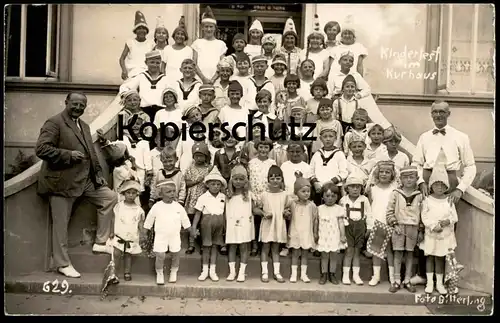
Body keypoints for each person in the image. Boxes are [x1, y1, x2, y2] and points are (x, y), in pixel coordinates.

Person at [36, 92, 117, 278]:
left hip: (84, 181)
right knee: (60, 225)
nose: (78, 108)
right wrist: (69, 155)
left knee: (109, 197)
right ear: (66, 102)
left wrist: (97, 174)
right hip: (61, 182)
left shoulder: (84, 126)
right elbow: (41, 149)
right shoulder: (54, 122)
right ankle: (62, 264)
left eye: (82, 105)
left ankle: (100, 242)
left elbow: (91, 153)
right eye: (75, 104)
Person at [410, 100, 476, 286]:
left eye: (442, 112)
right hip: (428, 183)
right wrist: (421, 182)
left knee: (446, 229)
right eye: (435, 112)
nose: (438, 115)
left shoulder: (461, 137)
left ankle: (446, 276)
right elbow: (416, 162)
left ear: (449, 113)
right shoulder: (424, 137)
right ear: (431, 114)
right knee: (425, 226)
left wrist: (460, 189)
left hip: (450, 182)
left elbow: (470, 166)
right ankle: (423, 274)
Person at [420, 152, 459, 295]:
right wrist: (432, 225)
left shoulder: (448, 200)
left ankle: (440, 283)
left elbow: (454, 216)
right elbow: (424, 216)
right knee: (430, 256)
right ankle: (430, 282)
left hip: (445, 234)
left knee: (440, 258)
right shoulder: (427, 200)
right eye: (436, 185)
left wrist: (446, 222)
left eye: (443, 185)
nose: (440, 188)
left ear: (446, 187)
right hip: (431, 233)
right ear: (431, 186)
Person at [144, 180, 191, 284]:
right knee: (160, 255)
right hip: (161, 235)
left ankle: (174, 271)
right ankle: (159, 273)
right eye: (168, 192)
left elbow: (185, 220)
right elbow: (149, 220)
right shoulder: (157, 206)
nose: (172, 194)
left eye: (174, 191)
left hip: (174, 235)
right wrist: (145, 232)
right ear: (160, 194)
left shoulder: (178, 207)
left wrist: (190, 230)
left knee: (176, 253)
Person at [385, 165, 423, 293]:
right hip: (399, 227)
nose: (408, 180)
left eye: (411, 177)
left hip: (413, 227)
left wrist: (421, 230)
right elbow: (389, 211)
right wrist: (394, 224)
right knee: (398, 253)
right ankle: (396, 280)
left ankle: (407, 280)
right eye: (405, 177)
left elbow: (423, 213)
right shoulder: (396, 193)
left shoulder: (420, 195)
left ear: (417, 178)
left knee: (410, 253)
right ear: (400, 179)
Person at [258, 165, 292, 283]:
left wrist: (286, 213)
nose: (275, 181)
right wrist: (263, 213)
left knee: (275, 249)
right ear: (268, 180)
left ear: (282, 179)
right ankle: (265, 272)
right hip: (268, 224)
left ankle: (277, 272)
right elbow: (255, 209)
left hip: (278, 224)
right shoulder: (264, 195)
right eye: (272, 178)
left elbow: (288, 209)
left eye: (278, 178)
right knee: (265, 248)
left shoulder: (285, 195)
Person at [192, 167, 227, 281]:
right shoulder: (203, 197)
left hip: (219, 223)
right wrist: (194, 227)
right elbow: (197, 214)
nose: (216, 186)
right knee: (206, 247)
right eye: (213, 184)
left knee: (215, 247)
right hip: (207, 223)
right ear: (207, 184)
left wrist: (226, 227)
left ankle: (213, 270)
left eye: (218, 184)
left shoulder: (223, 197)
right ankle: (204, 270)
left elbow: (225, 213)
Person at [366, 161, 398, 287]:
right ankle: (376, 275)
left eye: (387, 172)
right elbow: (369, 207)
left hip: (389, 222)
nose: (384, 174)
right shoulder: (372, 189)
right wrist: (370, 224)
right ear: (377, 174)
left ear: (392, 174)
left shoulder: (395, 190)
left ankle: (392, 276)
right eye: (381, 172)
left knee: (390, 250)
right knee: (376, 250)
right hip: (376, 222)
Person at [225, 164, 256, 282]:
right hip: (232, 225)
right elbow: (225, 212)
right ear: (231, 180)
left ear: (246, 181)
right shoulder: (228, 195)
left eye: (241, 179)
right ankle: (232, 271)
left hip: (245, 225)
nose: (238, 182)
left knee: (244, 247)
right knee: (232, 247)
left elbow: (254, 209)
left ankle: (242, 272)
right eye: (235, 179)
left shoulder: (248, 195)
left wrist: (263, 213)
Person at [339, 176, 372, 285]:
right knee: (349, 252)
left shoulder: (364, 200)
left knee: (357, 252)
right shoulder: (343, 200)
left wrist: (369, 228)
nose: (355, 189)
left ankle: (356, 275)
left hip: (360, 227)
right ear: (347, 188)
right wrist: (342, 231)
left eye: (358, 187)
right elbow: (340, 216)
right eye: (352, 187)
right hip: (348, 227)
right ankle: (345, 275)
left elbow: (369, 215)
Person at [119, 50, 169, 122]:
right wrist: (125, 95)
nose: (154, 65)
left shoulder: (165, 78)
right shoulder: (141, 77)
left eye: (157, 63)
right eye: (152, 62)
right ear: (146, 62)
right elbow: (125, 87)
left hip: (160, 111)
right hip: (145, 110)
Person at [111, 179, 145, 282]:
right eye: (128, 193)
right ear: (124, 193)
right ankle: (113, 273)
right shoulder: (119, 206)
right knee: (116, 254)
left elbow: (140, 223)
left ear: (137, 194)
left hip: (131, 236)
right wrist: (111, 231)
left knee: (128, 255)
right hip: (119, 234)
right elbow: (113, 218)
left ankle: (127, 272)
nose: (131, 195)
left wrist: (143, 234)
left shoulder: (138, 209)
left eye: (133, 193)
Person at [248, 138, 277, 256]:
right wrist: (252, 195)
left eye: (266, 147)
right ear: (257, 148)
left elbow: (274, 179)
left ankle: (266, 245)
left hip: (268, 195)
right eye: (261, 147)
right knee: (255, 221)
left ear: (269, 149)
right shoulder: (251, 163)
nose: (263, 150)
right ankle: (255, 245)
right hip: (254, 194)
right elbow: (249, 179)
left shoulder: (272, 163)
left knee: (267, 220)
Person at [288, 175, 319, 283]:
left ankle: (303, 274)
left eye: (308, 191)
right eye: (303, 191)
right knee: (295, 253)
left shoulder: (312, 206)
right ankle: (294, 274)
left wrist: (315, 232)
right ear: (297, 192)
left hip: (307, 233)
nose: (306, 193)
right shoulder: (293, 204)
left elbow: (315, 220)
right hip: (295, 232)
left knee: (305, 254)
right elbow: (287, 211)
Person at [184, 142, 212, 255]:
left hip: (204, 197)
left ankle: (202, 244)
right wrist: (196, 181)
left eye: (201, 155)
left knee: (202, 222)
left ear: (206, 156)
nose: (199, 158)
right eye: (196, 156)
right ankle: (191, 243)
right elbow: (186, 182)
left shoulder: (209, 168)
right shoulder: (191, 167)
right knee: (191, 221)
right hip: (192, 198)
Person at [310, 126, 348, 205]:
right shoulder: (317, 154)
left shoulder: (339, 154)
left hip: (334, 189)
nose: (328, 139)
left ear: (335, 138)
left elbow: (344, 172)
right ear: (320, 138)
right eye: (325, 136)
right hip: (318, 188)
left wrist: (331, 182)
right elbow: (311, 171)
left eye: (331, 136)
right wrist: (315, 183)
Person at [317, 183, 346, 285]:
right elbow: (316, 223)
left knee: (333, 255)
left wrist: (342, 235)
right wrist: (316, 235)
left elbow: (341, 223)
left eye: (333, 196)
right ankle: (324, 273)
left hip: (334, 235)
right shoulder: (319, 209)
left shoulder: (339, 209)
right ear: (323, 196)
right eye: (327, 196)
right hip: (323, 235)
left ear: (337, 197)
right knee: (324, 255)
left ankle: (332, 273)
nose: (330, 199)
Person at [192, 6, 227, 84]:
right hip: (199, 80)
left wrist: (213, 79)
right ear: (202, 28)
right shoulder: (197, 43)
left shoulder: (221, 44)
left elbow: (222, 64)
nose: (209, 29)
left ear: (215, 28)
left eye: (211, 27)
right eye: (206, 27)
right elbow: (194, 63)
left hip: (216, 80)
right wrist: (203, 78)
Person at [119, 11, 155, 80]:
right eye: (139, 28)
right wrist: (124, 70)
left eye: (143, 28)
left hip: (146, 73)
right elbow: (122, 58)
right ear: (135, 31)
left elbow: (154, 59)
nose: (141, 30)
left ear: (146, 31)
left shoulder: (151, 43)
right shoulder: (130, 42)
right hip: (132, 72)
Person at [299, 14, 330, 80]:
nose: (315, 40)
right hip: (305, 81)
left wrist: (316, 81)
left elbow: (326, 70)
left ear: (322, 41)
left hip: (319, 82)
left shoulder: (325, 53)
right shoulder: (303, 52)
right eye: (312, 38)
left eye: (318, 38)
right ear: (309, 40)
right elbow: (299, 69)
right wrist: (303, 80)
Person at [163, 16, 194, 82]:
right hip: (168, 81)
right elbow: (162, 67)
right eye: (177, 34)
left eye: (182, 34)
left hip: (183, 82)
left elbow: (190, 68)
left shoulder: (188, 50)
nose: (179, 36)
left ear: (185, 37)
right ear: (174, 36)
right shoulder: (167, 49)